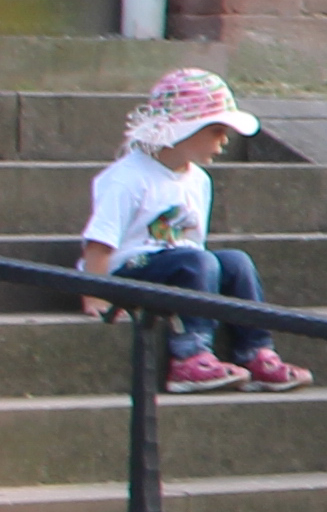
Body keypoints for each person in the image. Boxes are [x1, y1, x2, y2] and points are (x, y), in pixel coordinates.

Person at [74, 69, 308, 390]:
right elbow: (100, 241)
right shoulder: (128, 178)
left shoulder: (198, 180)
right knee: (196, 261)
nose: (224, 141)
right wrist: (95, 296)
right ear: (183, 129)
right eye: (216, 131)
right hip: (127, 272)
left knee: (236, 261)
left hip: (182, 266)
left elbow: (194, 242)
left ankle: (255, 350)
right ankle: (190, 355)